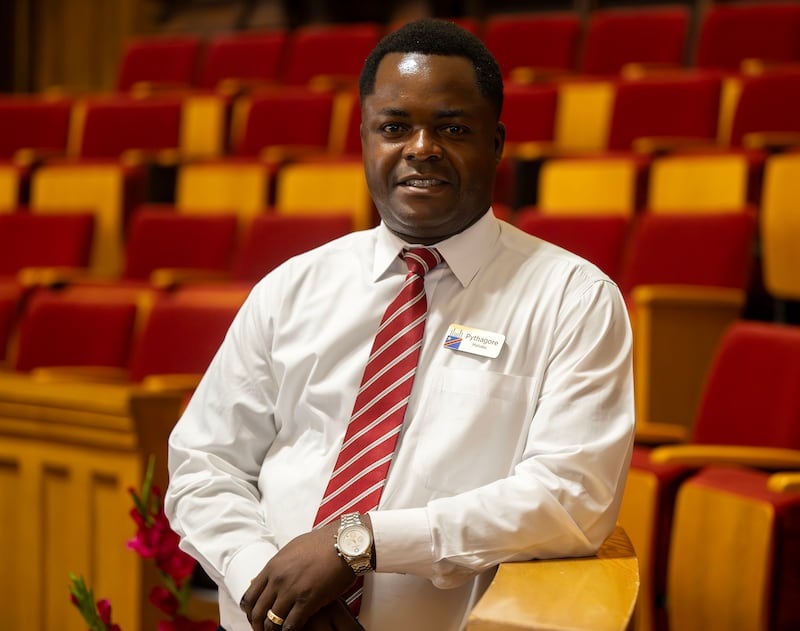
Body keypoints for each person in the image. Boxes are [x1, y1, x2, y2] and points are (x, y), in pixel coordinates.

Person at [165, 18, 635, 631]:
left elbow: (570, 499)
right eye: (394, 127)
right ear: (364, 140)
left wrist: (359, 543)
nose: (420, 147)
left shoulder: (574, 298)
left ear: (495, 144)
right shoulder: (291, 287)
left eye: (452, 127)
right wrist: (273, 583)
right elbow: (205, 464)